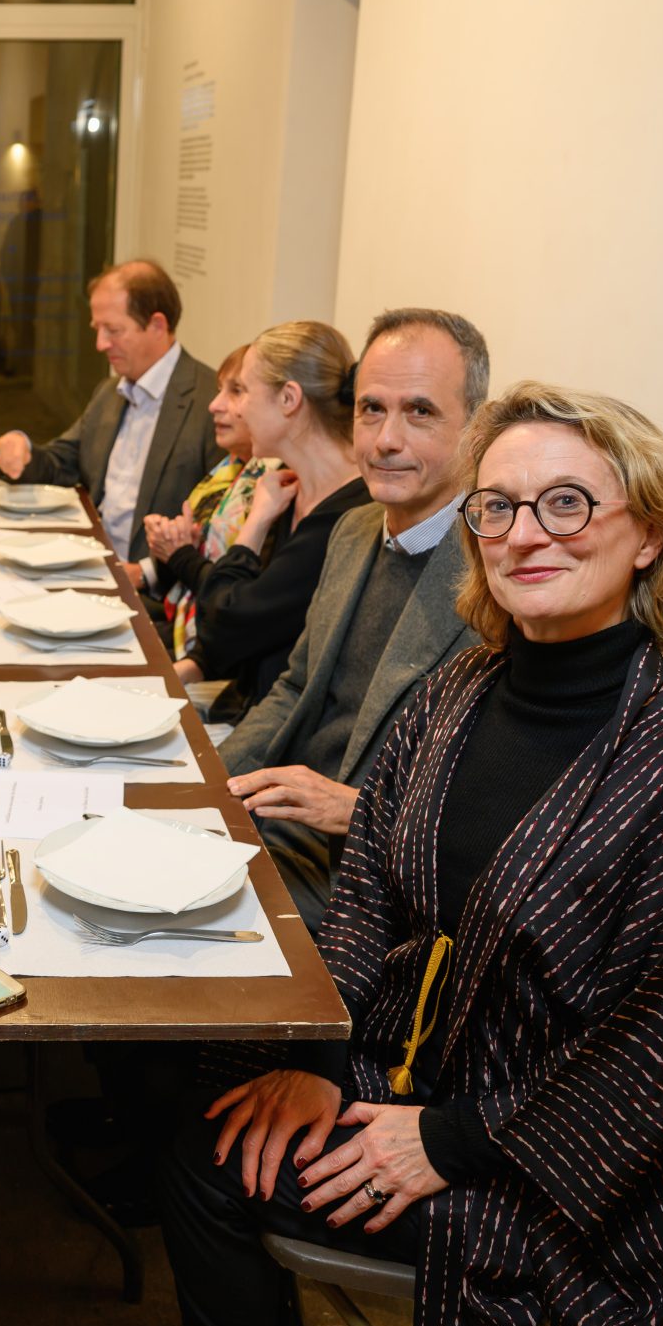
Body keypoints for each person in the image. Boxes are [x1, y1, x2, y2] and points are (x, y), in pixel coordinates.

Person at [159, 383, 663, 1326]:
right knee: (208, 1094)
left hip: (551, 1162)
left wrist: (449, 1142)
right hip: (404, 1072)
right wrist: (324, 1060)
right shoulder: (457, 690)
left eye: (567, 502)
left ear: (651, 535)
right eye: (496, 506)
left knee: (207, 1166)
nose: (525, 534)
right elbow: (371, 887)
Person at [216, 309, 489, 929]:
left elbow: (492, 808)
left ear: (476, 429)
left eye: (420, 412)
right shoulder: (354, 529)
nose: (386, 439)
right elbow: (293, 690)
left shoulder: (497, 572)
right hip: (277, 831)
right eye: (372, 409)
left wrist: (358, 808)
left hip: (373, 884)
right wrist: (207, 788)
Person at [150, 320, 369, 708]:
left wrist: (254, 525)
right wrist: (192, 666)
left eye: (243, 391)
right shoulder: (290, 486)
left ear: (289, 399)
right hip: (248, 705)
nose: (227, 407)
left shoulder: (344, 518)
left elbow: (226, 623)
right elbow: (245, 626)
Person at [0, 260, 221, 563]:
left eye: (113, 330)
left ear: (157, 325)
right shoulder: (109, 392)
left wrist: (147, 575)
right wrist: (22, 452)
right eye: (97, 329)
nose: (100, 344)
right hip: (92, 560)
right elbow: (63, 463)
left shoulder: (211, 402)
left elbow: (218, 527)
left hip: (152, 591)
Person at [131, 343, 281, 657]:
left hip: (219, 652)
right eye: (219, 390)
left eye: (236, 391)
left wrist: (179, 552)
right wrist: (167, 547)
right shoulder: (229, 469)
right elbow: (197, 555)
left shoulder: (276, 485)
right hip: (186, 629)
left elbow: (235, 595)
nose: (214, 405)